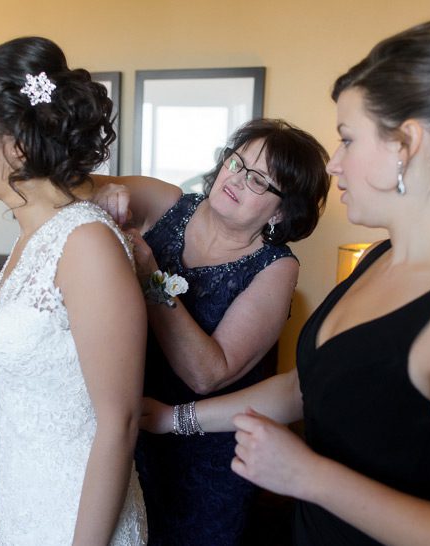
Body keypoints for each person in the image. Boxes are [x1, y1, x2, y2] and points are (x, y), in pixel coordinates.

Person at [141, 19, 430, 546]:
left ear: (405, 144)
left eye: (347, 140)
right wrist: (176, 421)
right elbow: (309, 385)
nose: (333, 165)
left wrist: (306, 475)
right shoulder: (379, 259)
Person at [0, 37, 147, 545]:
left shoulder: (88, 245)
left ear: (16, 141)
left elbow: (119, 422)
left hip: (77, 518)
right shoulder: (32, 238)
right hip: (23, 498)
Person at [94, 118, 330, 545]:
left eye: (259, 180)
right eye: (237, 163)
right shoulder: (167, 202)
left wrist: (151, 276)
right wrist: (105, 191)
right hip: (124, 424)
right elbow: (70, 187)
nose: (237, 178)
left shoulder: (277, 268)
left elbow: (208, 373)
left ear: (282, 210)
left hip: (203, 453)